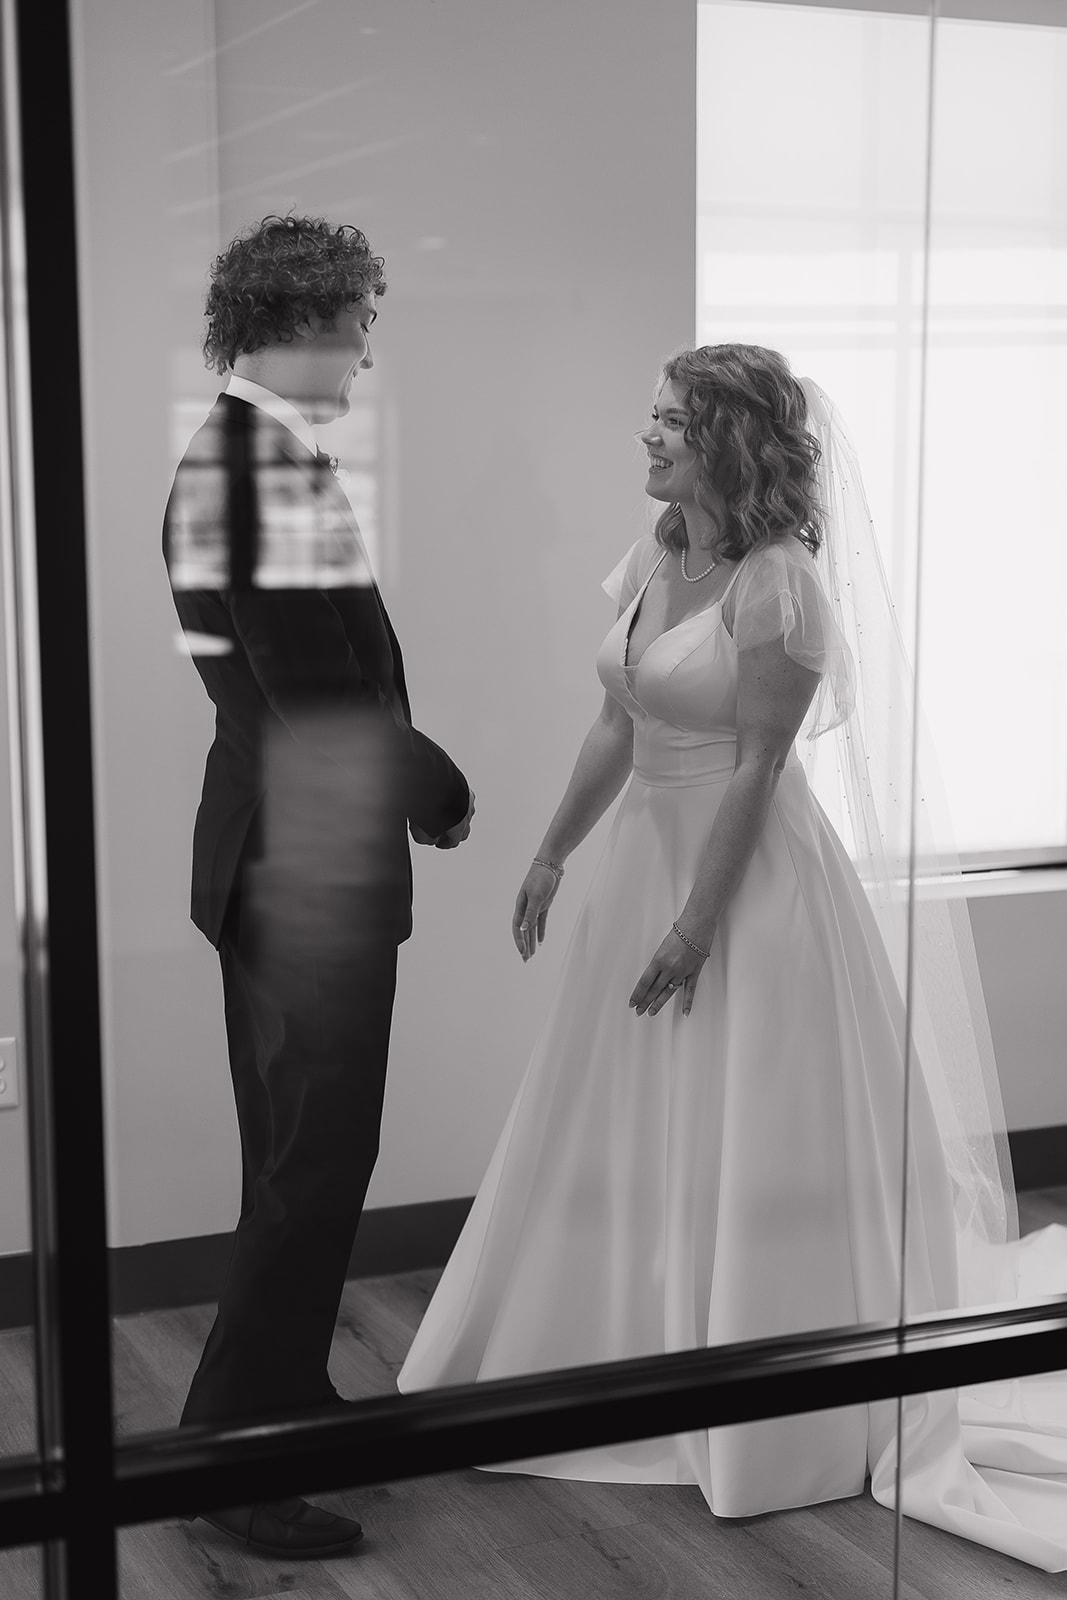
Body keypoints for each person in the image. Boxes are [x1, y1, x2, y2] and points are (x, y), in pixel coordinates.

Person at [398, 344, 1067, 1570]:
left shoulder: (780, 584)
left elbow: (759, 765)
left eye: (668, 421)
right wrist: (551, 852)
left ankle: (765, 1391)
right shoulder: (658, 549)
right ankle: (630, 1335)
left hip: (745, 882)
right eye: (647, 415)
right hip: (640, 857)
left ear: (730, 437)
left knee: (740, 1111)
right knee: (618, 1113)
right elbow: (619, 715)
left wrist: (698, 923)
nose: (645, 436)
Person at [163, 213, 474, 1559]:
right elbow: (316, 700)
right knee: (310, 1165)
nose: (359, 353)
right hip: (304, 873)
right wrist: (439, 787)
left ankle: (282, 1400)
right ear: (288, 325)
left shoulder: (251, 454)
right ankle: (231, 1467)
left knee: (299, 1162)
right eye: (349, 323)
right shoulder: (251, 467)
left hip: (278, 860)